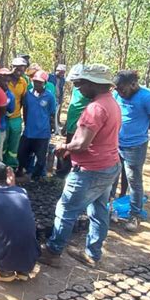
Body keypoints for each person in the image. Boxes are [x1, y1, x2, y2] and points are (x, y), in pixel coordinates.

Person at [39, 64, 121, 268]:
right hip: (109, 165)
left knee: (66, 209)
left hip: (90, 169)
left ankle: (53, 251)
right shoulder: (112, 103)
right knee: (99, 212)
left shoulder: (95, 109)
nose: (78, 89)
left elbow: (82, 144)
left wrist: (64, 146)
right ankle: (93, 254)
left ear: (93, 84)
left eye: (80, 84)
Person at [111, 70, 150, 232]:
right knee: (111, 176)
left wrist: (139, 129)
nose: (119, 93)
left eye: (122, 89)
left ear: (133, 84)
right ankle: (110, 208)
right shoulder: (117, 95)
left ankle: (134, 214)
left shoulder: (148, 97)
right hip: (116, 143)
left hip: (136, 146)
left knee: (134, 181)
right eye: (117, 90)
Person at [16, 71, 56, 180]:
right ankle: (23, 171)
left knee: (41, 157)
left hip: (43, 132)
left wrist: (52, 127)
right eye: (35, 81)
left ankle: (36, 177)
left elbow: (52, 113)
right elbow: (25, 110)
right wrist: (27, 123)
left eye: (40, 82)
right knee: (22, 153)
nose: (37, 84)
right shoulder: (28, 94)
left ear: (45, 83)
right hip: (29, 131)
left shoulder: (49, 96)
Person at [55, 65, 90, 178]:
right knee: (67, 149)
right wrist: (66, 124)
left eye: (76, 81)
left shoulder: (89, 92)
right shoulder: (76, 88)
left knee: (72, 150)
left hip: (79, 127)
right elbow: (72, 105)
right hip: (71, 124)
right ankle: (62, 173)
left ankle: (65, 174)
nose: (74, 84)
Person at [2, 57, 28, 168]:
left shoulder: (23, 82)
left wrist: (25, 121)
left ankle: (11, 166)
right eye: (16, 69)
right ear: (12, 67)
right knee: (3, 143)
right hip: (3, 117)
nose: (19, 72)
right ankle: (1, 165)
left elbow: (24, 101)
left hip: (16, 118)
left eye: (21, 69)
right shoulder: (4, 80)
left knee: (14, 144)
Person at [0, 68, 15, 162]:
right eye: (4, 80)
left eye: (8, 81)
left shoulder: (10, 96)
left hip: (0, 128)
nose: (6, 83)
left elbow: (10, 112)